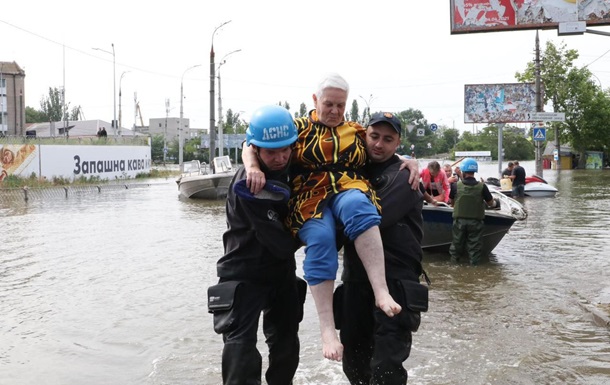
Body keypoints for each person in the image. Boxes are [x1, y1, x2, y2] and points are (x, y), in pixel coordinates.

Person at [242, 73, 418, 362]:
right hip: (309, 197)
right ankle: (326, 329)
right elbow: (251, 143)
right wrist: (253, 167)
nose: (335, 111)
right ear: (315, 100)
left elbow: (382, 149)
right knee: (321, 238)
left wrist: (408, 161)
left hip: (349, 186)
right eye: (329, 104)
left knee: (360, 209)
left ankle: (381, 291)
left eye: (341, 105)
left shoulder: (356, 131)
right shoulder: (296, 127)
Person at [209, 105, 306, 385]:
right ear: (257, 149)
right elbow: (281, 244)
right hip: (243, 274)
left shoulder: (294, 165)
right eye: (270, 152)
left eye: (285, 149)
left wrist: (403, 160)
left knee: (287, 348)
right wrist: (317, 233)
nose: (279, 158)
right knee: (240, 351)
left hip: (280, 274)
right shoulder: (247, 185)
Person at [337, 112, 428, 384]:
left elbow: (370, 220)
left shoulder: (403, 178)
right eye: (374, 136)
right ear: (364, 135)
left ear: (398, 143)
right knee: (353, 361)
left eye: (388, 139)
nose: (379, 144)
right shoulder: (351, 172)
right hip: (355, 280)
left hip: (396, 281)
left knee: (387, 366)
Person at [448, 158, 497, 265]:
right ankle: (474, 269)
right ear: (475, 171)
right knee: (474, 248)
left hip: (459, 222)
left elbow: (451, 202)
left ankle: (453, 267)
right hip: (476, 222)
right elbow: (490, 203)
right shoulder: (482, 186)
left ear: (463, 171)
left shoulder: (455, 186)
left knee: (456, 246)